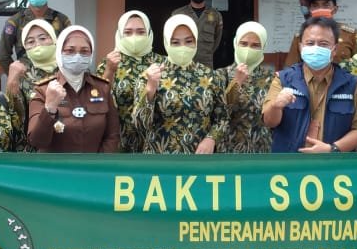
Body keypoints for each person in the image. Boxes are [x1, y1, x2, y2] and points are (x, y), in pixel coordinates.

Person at [263, 16, 357, 153]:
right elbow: (269, 122)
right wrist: (276, 106)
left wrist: (332, 149)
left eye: (323, 44)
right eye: (310, 43)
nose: (316, 48)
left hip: (335, 163)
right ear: (301, 47)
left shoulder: (353, 84)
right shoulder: (283, 80)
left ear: (334, 49)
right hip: (289, 163)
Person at [132, 14, 229, 154]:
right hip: (160, 160)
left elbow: (223, 119)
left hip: (199, 159)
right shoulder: (149, 76)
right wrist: (150, 89)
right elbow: (140, 125)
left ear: (196, 41)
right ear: (166, 42)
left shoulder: (211, 77)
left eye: (189, 41)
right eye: (175, 42)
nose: (183, 47)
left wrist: (211, 139)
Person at [28, 26, 120, 153]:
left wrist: (99, 162)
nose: (77, 56)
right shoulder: (42, 90)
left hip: (95, 164)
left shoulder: (102, 88)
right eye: (70, 51)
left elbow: (112, 135)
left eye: (84, 51)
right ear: (59, 52)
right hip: (55, 165)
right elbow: (36, 141)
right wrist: (50, 108)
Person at [97, 11, 166, 153]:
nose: (134, 37)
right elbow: (98, 100)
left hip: (155, 142)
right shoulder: (109, 62)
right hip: (118, 141)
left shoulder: (163, 63)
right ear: (119, 34)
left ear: (149, 33)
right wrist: (109, 71)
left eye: (141, 32)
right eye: (128, 32)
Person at [216, 21, 273, 153]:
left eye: (255, 45)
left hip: (261, 150)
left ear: (263, 47)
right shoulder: (221, 75)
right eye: (244, 43)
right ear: (235, 43)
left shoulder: (271, 79)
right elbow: (218, 113)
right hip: (228, 151)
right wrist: (236, 82)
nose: (248, 49)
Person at [0, 0, 72, 72]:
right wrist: (17, 76)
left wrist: (64, 75)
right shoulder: (15, 21)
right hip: (27, 78)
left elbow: (71, 51)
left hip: (56, 77)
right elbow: (3, 56)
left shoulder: (62, 20)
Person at [4, 19, 58, 138]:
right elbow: (14, 116)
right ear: (25, 47)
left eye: (43, 38)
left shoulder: (67, 68)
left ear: (54, 39)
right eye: (30, 41)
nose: (37, 44)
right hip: (35, 139)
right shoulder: (22, 73)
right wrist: (12, 82)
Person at [283, 0, 357, 67]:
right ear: (310, 10)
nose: (320, 9)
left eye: (326, 5)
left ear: (335, 9)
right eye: (315, 6)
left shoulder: (350, 34)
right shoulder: (301, 36)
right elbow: (291, 67)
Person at [171, 0, 224, 68]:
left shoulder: (216, 15)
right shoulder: (177, 14)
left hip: (206, 65)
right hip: (183, 64)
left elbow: (217, 40)